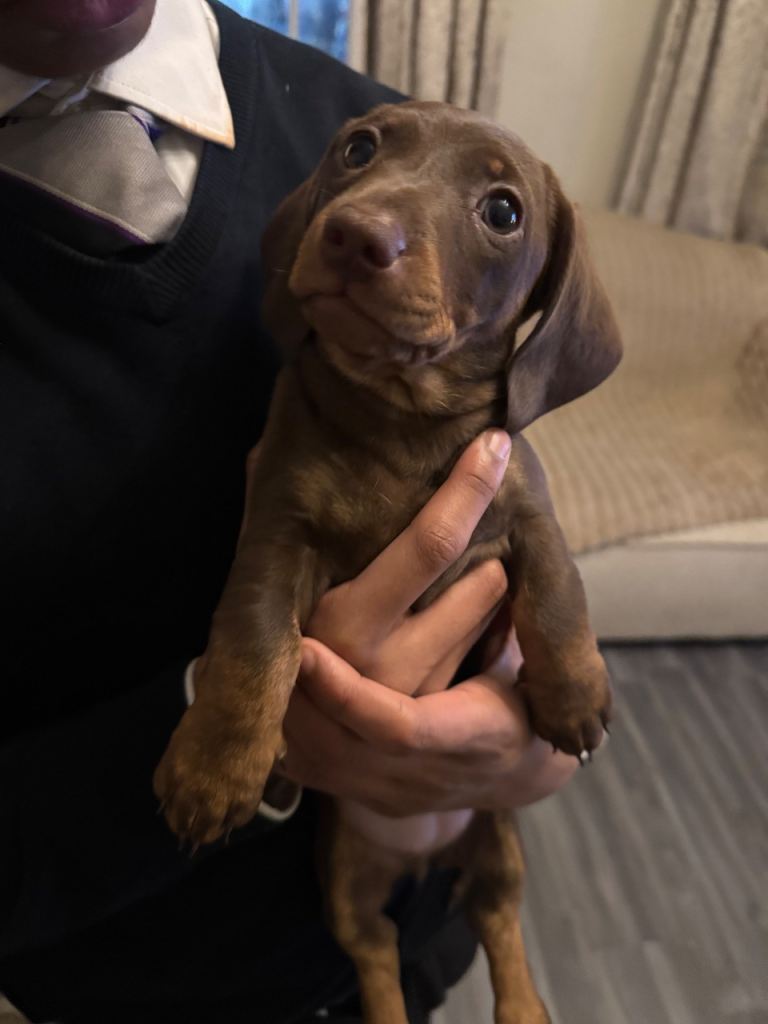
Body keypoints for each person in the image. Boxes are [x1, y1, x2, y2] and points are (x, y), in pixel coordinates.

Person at [0, 1, 577, 1021]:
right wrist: (267, 730)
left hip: (408, 932)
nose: (367, 210)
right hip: (129, 987)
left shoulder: (374, 128)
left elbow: (502, 495)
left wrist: (528, 726)